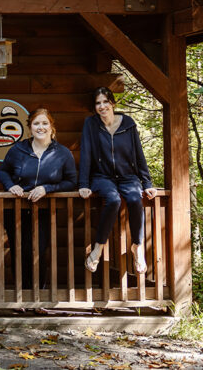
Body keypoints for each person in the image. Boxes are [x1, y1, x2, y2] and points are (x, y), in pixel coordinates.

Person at [79, 87, 155, 274]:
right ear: (94, 107)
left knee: (135, 199)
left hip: (128, 176)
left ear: (112, 103)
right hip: (102, 177)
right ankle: (98, 247)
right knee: (112, 199)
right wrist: (83, 184)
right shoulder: (91, 124)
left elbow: (139, 154)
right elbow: (86, 153)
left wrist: (147, 183)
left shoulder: (128, 123)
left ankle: (137, 247)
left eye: (106, 102)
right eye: (98, 103)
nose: (102, 106)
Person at [0, 108, 77, 288]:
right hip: (16, 209)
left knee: (39, 251)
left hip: (44, 210)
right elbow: (3, 171)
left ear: (51, 126)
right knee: (20, 251)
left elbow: (71, 181)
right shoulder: (18, 149)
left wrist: (46, 188)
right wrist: (11, 185)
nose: (40, 127)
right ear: (30, 127)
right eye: (36, 124)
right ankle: (21, 295)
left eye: (44, 123)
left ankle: (38, 295)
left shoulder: (62, 153)